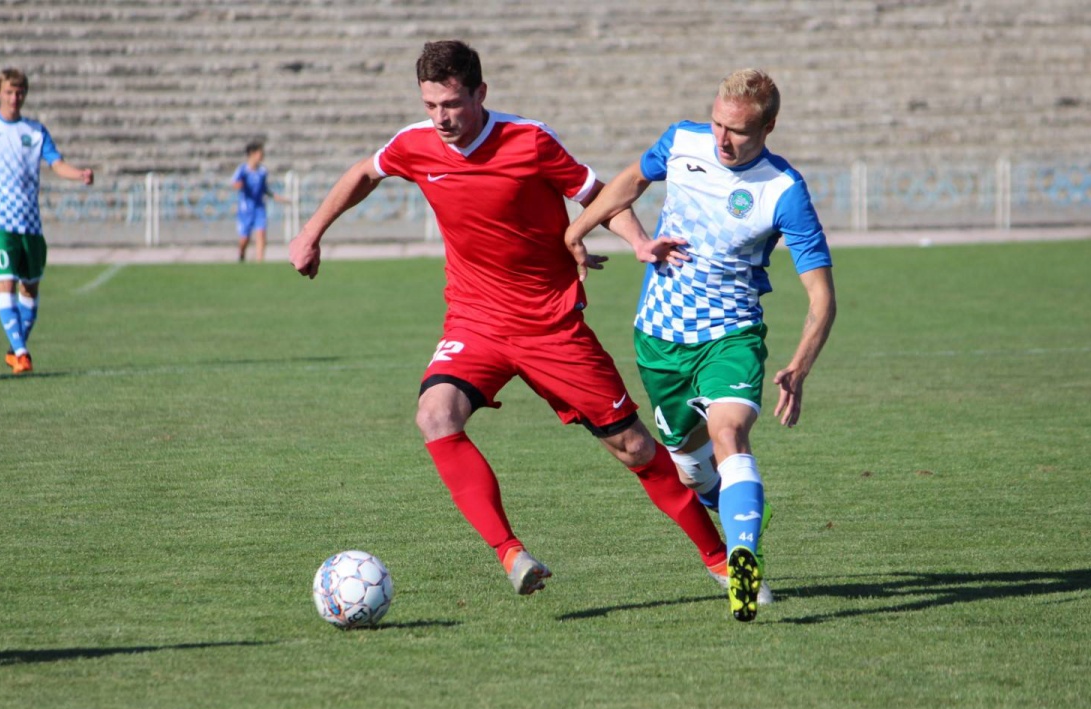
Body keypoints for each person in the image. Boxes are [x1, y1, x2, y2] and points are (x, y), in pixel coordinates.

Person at [289, 40, 736, 607]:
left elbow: (595, 195)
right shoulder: (415, 145)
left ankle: (720, 560)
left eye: (451, 103)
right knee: (435, 414)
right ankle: (511, 554)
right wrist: (311, 232)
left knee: (634, 449)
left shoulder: (529, 140)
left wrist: (639, 242)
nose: (441, 118)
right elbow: (364, 172)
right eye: (430, 105)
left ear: (480, 93)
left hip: (550, 327)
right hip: (475, 321)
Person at [564, 68, 836, 622]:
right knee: (688, 463)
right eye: (717, 123)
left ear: (769, 127)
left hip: (730, 336)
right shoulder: (682, 141)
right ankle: (725, 502)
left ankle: (743, 559)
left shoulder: (783, 190)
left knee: (729, 432)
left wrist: (799, 367)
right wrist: (579, 231)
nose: (721, 140)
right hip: (659, 339)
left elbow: (822, 298)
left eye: (737, 130)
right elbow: (628, 183)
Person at [0, 68, 94, 374]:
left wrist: (79, 174)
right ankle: (22, 352)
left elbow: (56, 163)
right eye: (9, 91)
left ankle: (15, 348)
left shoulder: (35, 132)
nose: (15, 97)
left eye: (20, 92)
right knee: (5, 282)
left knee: (30, 290)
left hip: (31, 224)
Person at [232, 141, 286, 262]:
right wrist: (239, 185)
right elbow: (235, 183)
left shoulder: (262, 172)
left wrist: (276, 196)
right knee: (244, 239)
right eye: (260, 153)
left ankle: (260, 262)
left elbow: (264, 189)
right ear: (252, 153)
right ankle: (241, 254)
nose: (262, 155)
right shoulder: (243, 170)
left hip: (259, 208)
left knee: (261, 233)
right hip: (246, 209)